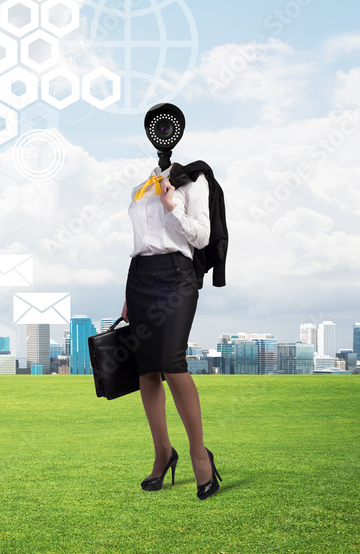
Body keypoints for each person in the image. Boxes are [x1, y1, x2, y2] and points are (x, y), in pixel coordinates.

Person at [121, 161, 223, 500]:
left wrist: (172, 206)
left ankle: (199, 455)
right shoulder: (141, 186)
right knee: (147, 369)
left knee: (172, 363)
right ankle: (163, 453)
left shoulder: (192, 182)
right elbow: (141, 242)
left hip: (176, 275)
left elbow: (203, 237)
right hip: (139, 277)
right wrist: (127, 298)